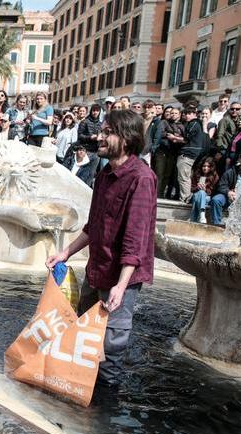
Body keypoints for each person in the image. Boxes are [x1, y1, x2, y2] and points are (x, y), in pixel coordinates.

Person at [46, 110, 157, 385]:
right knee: (82, 333)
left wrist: (120, 287)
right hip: (97, 269)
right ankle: (79, 390)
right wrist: (66, 252)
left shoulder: (141, 178)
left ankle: (103, 416)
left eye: (108, 132)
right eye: (102, 131)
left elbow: (136, 238)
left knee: (110, 349)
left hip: (121, 278)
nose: (99, 136)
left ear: (127, 138)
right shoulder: (105, 172)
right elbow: (93, 225)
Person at [174, 106, 203, 203]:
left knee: (183, 177)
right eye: (185, 114)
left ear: (194, 114)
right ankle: (186, 198)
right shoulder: (196, 124)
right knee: (185, 176)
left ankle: (185, 199)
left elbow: (187, 138)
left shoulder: (194, 123)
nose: (186, 116)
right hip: (191, 153)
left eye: (188, 114)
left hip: (187, 154)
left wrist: (174, 137)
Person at [190, 156, 220, 224]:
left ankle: (194, 218)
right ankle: (202, 215)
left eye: (208, 166)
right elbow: (191, 188)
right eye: (204, 166)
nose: (205, 168)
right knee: (200, 193)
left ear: (211, 167)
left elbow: (215, 192)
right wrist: (197, 187)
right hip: (196, 195)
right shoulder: (196, 174)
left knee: (201, 194)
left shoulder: (215, 176)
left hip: (208, 198)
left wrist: (205, 190)